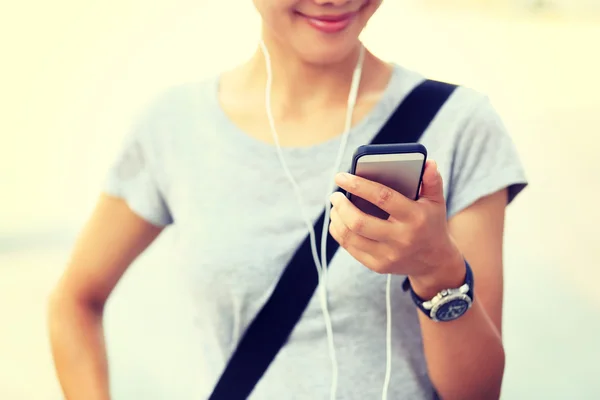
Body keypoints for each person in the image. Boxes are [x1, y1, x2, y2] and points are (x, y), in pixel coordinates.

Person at [47, 1, 528, 399]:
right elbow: (75, 300)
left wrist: (436, 269)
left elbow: (478, 392)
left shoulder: (460, 124)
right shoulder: (174, 127)